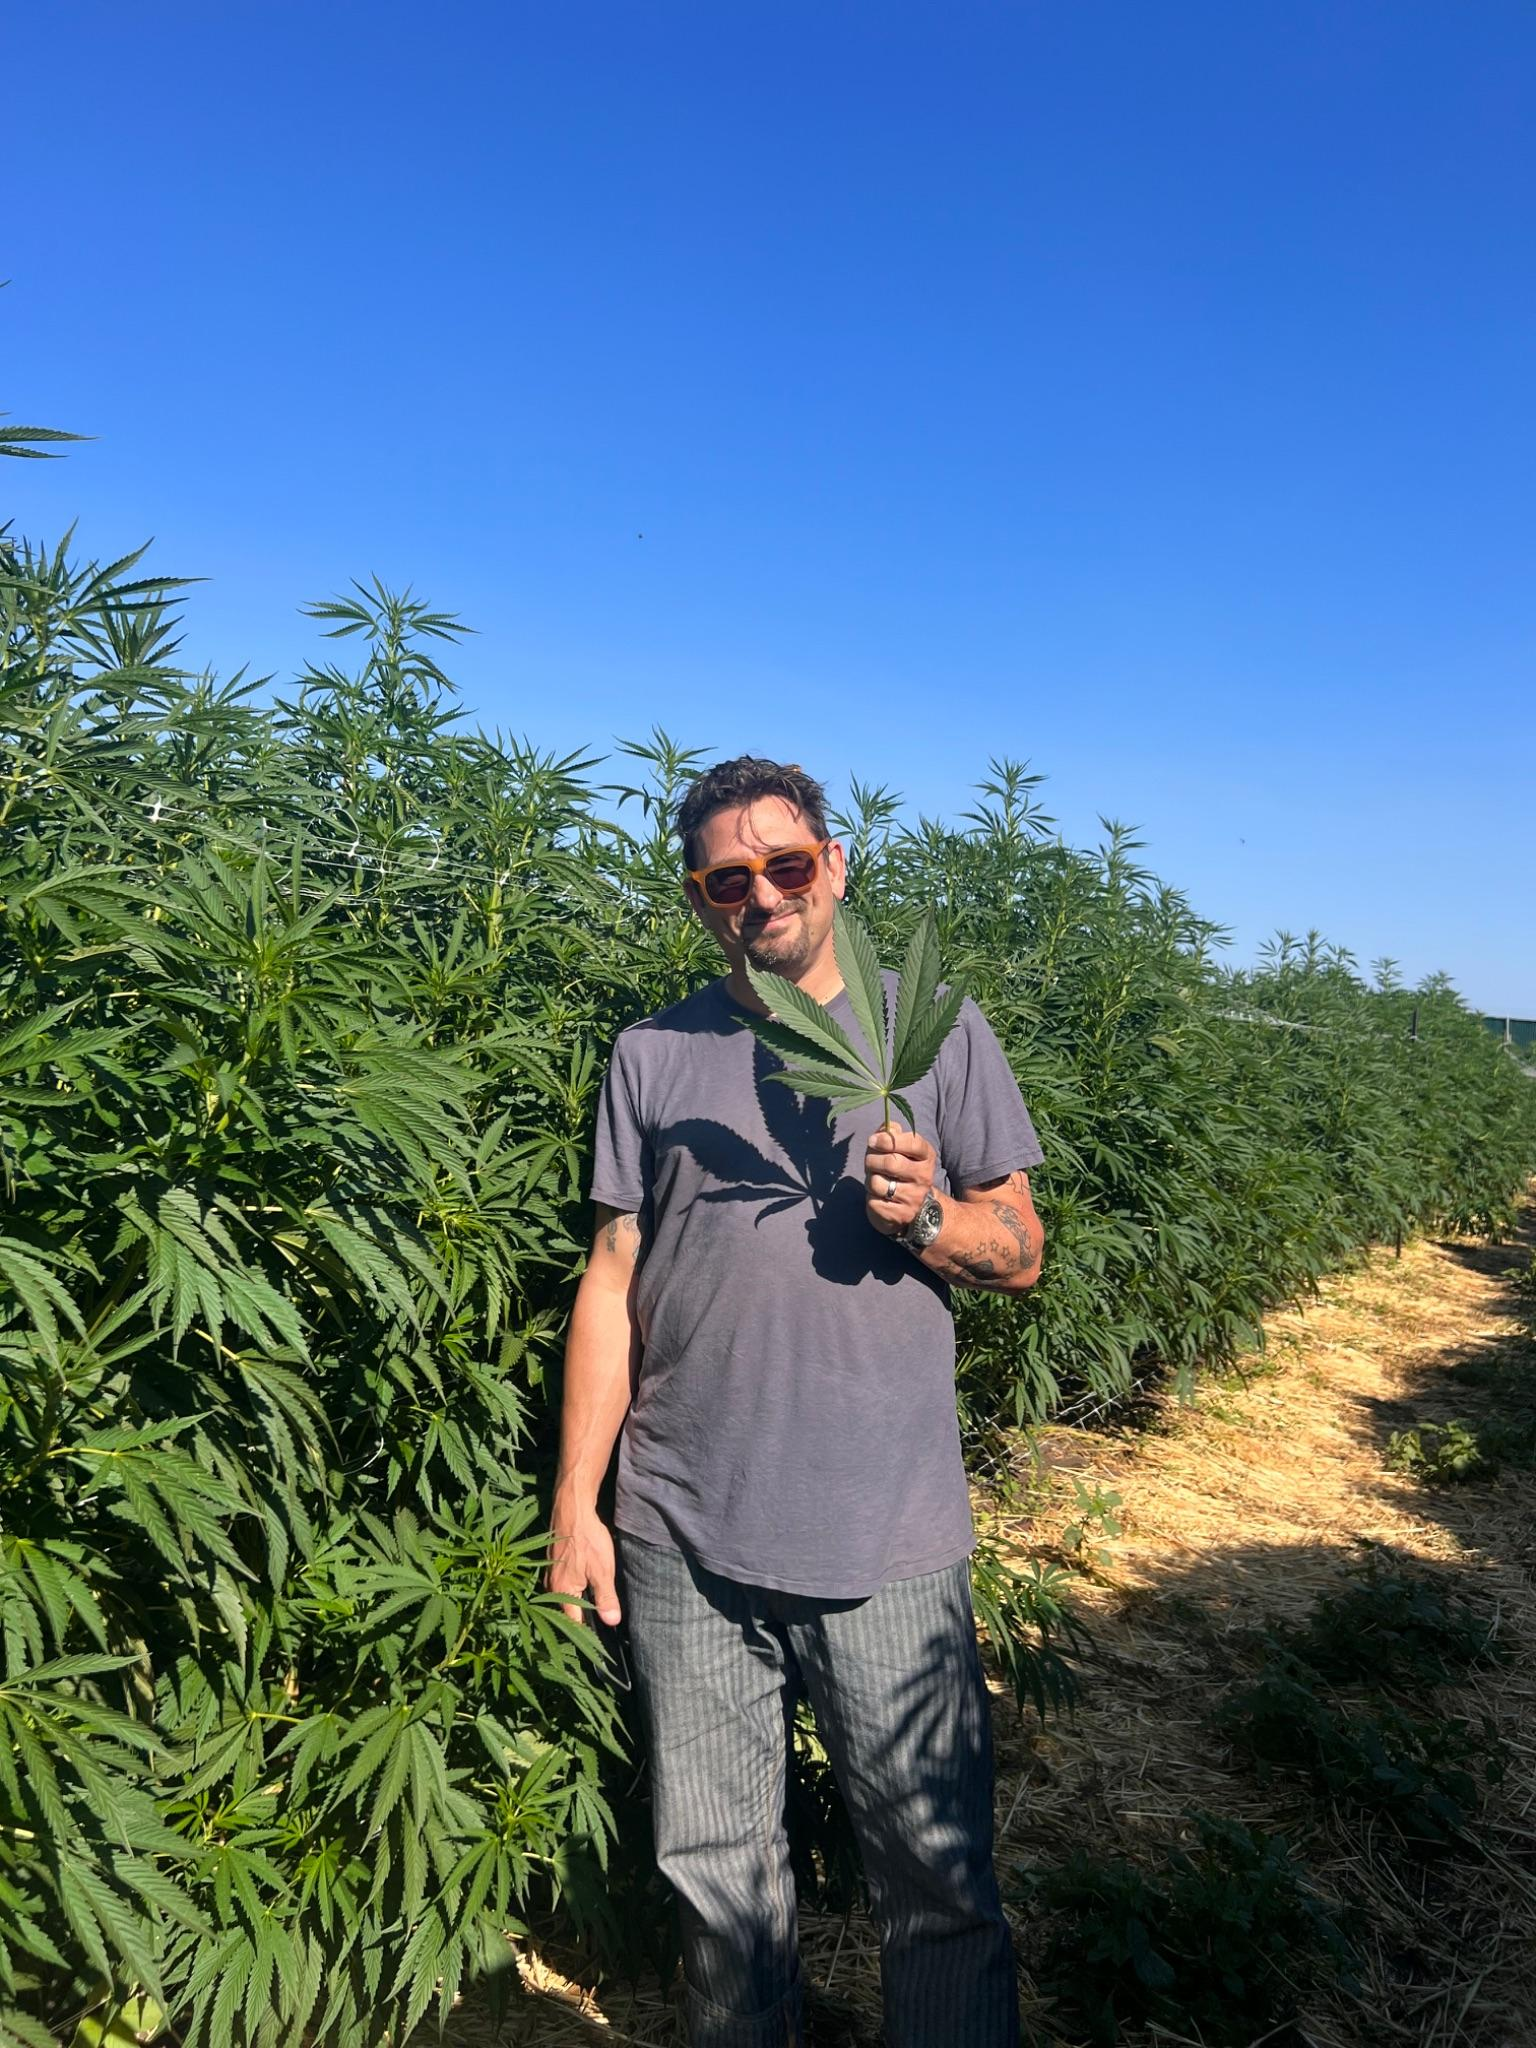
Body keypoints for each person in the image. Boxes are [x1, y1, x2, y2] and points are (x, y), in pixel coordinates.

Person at [548, 756, 1044, 2048]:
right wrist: (577, 1501)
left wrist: (932, 1214)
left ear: (835, 865)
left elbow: (1024, 1249)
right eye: (727, 878)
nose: (759, 895)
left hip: (886, 1541)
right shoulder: (653, 1055)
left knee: (935, 1889)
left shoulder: (931, 1033)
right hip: (684, 1537)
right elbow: (611, 1284)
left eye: (783, 865)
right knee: (720, 1890)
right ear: (699, 900)